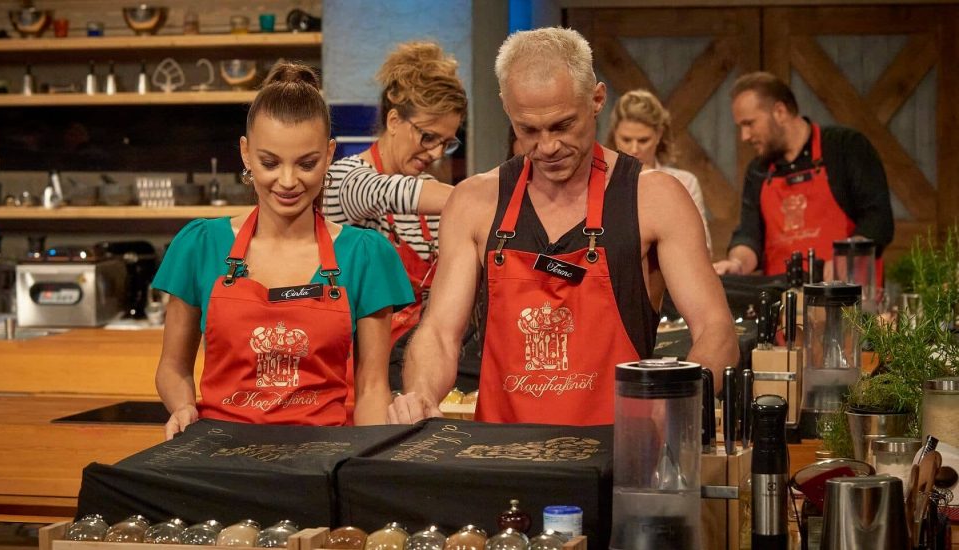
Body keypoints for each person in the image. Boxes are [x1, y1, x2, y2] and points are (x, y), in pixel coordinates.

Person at [388, 27, 737, 426]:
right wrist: (420, 394)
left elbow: (715, 330)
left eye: (562, 125)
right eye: (528, 130)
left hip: (618, 450)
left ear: (597, 99)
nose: (548, 146)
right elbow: (439, 333)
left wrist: (675, 404)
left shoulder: (654, 198)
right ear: (506, 108)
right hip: (499, 453)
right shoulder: (474, 203)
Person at [153, 62, 413, 439]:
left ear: (329, 154)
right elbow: (173, 368)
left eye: (306, 164)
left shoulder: (365, 255)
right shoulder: (200, 245)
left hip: (321, 457)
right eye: (270, 162)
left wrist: (370, 456)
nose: (288, 181)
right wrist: (182, 407)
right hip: (217, 453)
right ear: (245, 153)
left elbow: (372, 388)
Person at [323, 42, 467, 348]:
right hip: (354, 357)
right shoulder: (344, 178)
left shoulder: (431, 191)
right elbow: (386, 191)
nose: (436, 153)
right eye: (428, 136)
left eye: (446, 143)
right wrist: (484, 198)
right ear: (393, 121)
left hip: (414, 356)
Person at [713, 71, 894, 277]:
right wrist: (737, 264)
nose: (744, 136)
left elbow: (878, 219)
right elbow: (749, 235)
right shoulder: (758, 170)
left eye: (749, 123)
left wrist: (847, 258)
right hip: (782, 294)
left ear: (780, 112)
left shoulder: (845, 146)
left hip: (847, 292)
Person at [606, 89, 711, 252]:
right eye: (626, 140)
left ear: (659, 135)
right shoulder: (601, 181)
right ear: (614, 135)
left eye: (643, 140)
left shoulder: (684, 182)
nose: (634, 149)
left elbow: (704, 248)